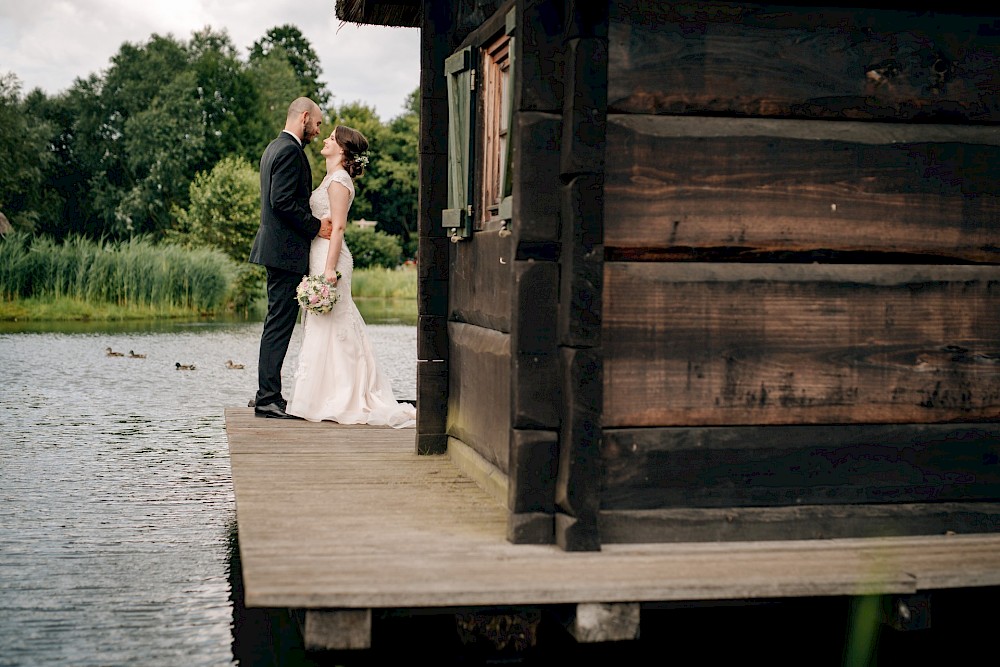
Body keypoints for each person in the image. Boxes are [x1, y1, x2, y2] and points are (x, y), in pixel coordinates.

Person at [285, 125, 416, 429]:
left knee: (336, 321)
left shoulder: (340, 181)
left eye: (331, 138)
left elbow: (339, 228)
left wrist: (330, 269)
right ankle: (320, 395)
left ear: (342, 150)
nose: (326, 140)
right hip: (319, 254)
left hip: (331, 257)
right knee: (323, 324)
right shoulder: (331, 178)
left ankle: (343, 395)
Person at [249, 97, 332, 419]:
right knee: (279, 326)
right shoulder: (288, 151)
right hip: (283, 252)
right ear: (305, 117)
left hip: (278, 250)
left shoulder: (274, 147)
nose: (318, 130)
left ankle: (267, 395)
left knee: (276, 323)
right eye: (318, 124)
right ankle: (267, 398)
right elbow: (281, 201)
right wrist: (316, 227)